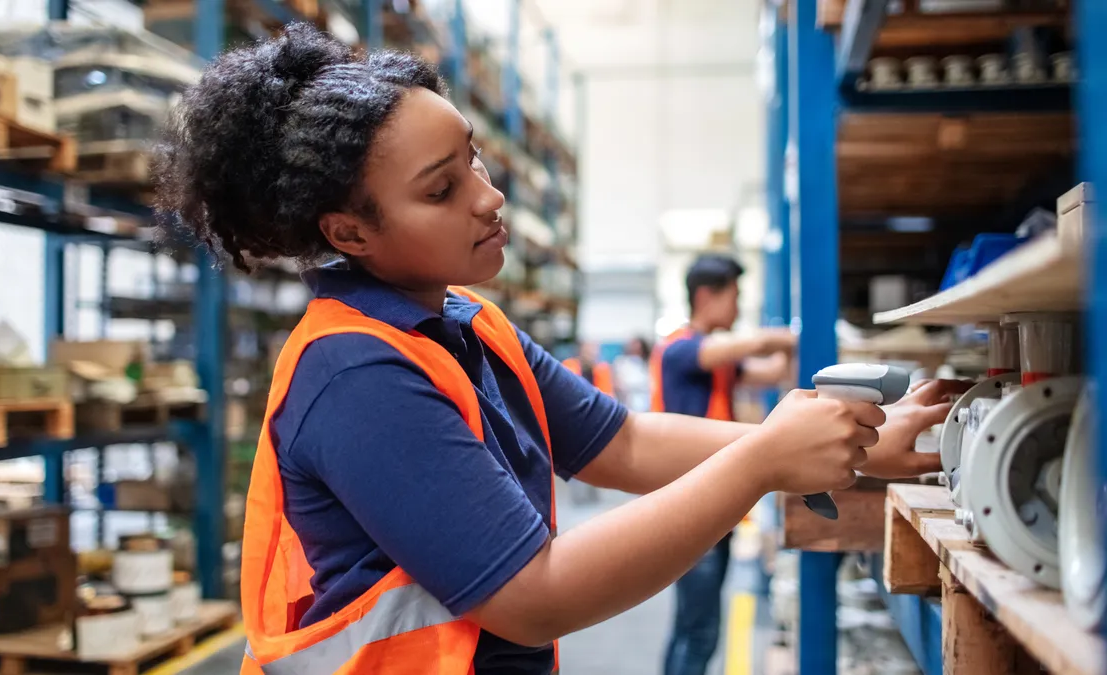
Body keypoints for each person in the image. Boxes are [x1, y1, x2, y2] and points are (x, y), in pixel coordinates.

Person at [154, 25, 965, 675]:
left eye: (472, 157)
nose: (488, 196)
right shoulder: (355, 374)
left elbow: (626, 441)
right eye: (441, 189)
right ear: (350, 232)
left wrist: (857, 449)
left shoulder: (468, 323)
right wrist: (761, 465)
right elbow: (531, 595)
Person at [653, 253, 798, 675]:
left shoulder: (719, 360)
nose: (737, 307)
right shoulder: (678, 350)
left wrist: (790, 353)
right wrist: (790, 335)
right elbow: (752, 345)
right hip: (688, 506)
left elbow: (769, 371)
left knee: (693, 626)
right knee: (699, 631)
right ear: (705, 297)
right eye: (734, 296)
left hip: (713, 501)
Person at [613, 336, 652, 412]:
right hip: (627, 403)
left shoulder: (648, 363)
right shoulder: (621, 362)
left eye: (637, 345)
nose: (635, 348)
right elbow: (618, 383)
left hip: (646, 403)